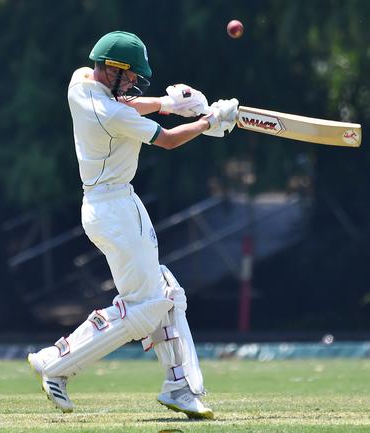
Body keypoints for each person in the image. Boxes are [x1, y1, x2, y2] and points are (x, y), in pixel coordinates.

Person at [27, 30, 238, 420]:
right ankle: (55, 362)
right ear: (112, 70)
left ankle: (181, 386)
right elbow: (170, 141)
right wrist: (209, 121)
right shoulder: (112, 115)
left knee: (166, 294)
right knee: (145, 308)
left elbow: (129, 104)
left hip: (109, 205)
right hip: (116, 209)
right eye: (130, 77)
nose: (133, 86)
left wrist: (168, 103)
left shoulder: (80, 82)